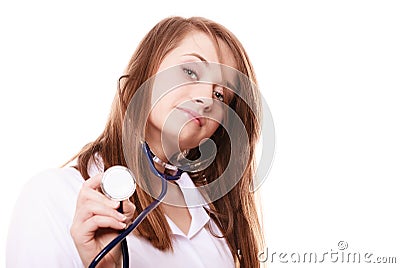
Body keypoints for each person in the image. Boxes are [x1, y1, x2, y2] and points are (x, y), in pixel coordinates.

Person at [6, 16, 264, 267]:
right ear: (144, 74)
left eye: (220, 94)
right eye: (190, 71)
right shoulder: (53, 196)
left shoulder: (216, 220)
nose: (206, 98)